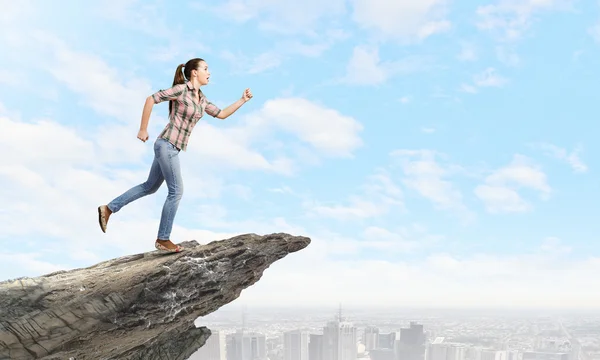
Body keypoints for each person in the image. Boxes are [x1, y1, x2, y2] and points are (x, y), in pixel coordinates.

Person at [97, 58, 253, 253]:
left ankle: (109, 208)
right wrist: (143, 129)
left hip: (172, 148)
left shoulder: (202, 100)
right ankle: (163, 239)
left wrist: (242, 100)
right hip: (166, 145)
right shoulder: (181, 90)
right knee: (176, 191)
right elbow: (150, 99)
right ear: (194, 72)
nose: (209, 73)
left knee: (150, 186)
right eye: (205, 69)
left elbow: (221, 114)